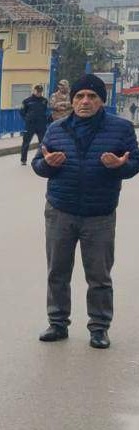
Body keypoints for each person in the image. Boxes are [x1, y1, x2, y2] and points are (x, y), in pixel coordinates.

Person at [31, 73, 139, 349]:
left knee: (99, 276)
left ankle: (99, 328)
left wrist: (120, 166)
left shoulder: (121, 129)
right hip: (60, 210)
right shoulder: (56, 129)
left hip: (99, 214)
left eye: (92, 96)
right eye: (79, 96)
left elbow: (134, 164)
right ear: (72, 100)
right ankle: (57, 323)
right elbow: (38, 165)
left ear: (102, 101)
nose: (85, 101)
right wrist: (49, 164)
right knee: (57, 271)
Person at [20, 83, 50, 165]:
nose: (39, 93)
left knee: (43, 142)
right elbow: (22, 112)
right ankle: (23, 160)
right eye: (38, 91)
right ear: (34, 91)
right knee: (26, 142)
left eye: (40, 92)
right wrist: (27, 119)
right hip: (30, 125)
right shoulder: (27, 101)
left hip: (41, 124)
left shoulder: (44, 101)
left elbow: (45, 111)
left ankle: (43, 159)